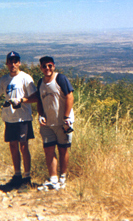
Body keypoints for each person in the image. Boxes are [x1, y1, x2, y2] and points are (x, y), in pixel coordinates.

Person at [0, 51, 37, 189]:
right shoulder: (4, 79)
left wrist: (21, 100)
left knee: (23, 146)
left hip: (23, 117)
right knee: (12, 146)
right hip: (9, 118)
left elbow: (35, 98)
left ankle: (27, 177)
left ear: (19, 63)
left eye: (15, 61)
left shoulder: (26, 78)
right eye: (10, 62)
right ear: (7, 64)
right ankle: (17, 175)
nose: (13, 64)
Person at [33, 56, 74, 190]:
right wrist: (40, 115)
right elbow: (39, 100)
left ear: (54, 66)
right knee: (48, 150)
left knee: (63, 149)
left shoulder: (60, 79)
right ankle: (53, 179)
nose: (47, 68)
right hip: (47, 124)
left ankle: (62, 177)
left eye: (49, 65)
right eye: (44, 66)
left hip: (62, 122)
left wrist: (66, 117)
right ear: (41, 68)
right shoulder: (40, 83)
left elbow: (69, 96)